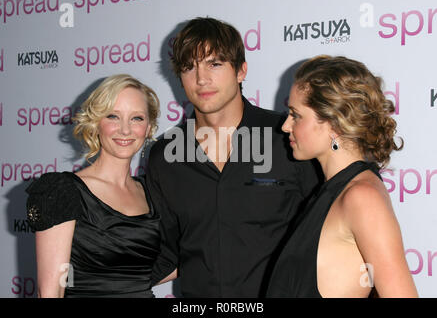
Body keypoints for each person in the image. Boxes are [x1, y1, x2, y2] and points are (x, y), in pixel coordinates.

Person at [145, 17, 320, 297]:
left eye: (214, 64)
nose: (201, 78)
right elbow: (166, 251)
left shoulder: (287, 138)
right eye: (189, 67)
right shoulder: (164, 156)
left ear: (241, 70)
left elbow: (328, 232)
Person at [266, 55, 418, 298]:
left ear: (335, 124)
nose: (285, 126)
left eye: (296, 115)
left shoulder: (361, 197)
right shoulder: (330, 192)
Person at [26, 74, 161, 297]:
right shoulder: (62, 191)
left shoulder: (152, 191)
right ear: (96, 122)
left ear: (148, 127)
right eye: (113, 116)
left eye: (136, 118)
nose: (125, 130)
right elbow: (51, 291)